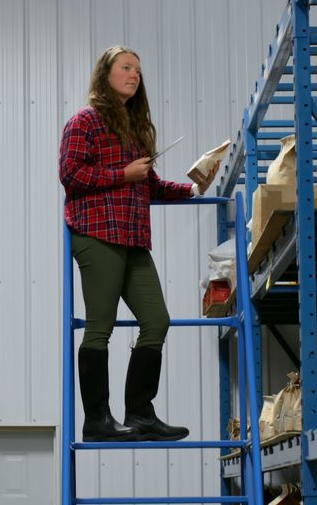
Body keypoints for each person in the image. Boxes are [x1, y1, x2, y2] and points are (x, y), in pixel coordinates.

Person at [59, 45, 218, 442]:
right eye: (126, 67)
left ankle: (140, 413)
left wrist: (194, 187)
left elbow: (150, 185)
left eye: (138, 70)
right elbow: (70, 174)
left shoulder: (133, 128)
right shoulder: (85, 121)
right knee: (100, 326)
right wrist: (123, 174)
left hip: (131, 237)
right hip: (96, 233)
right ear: (105, 75)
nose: (134, 75)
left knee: (157, 320)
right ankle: (97, 420)